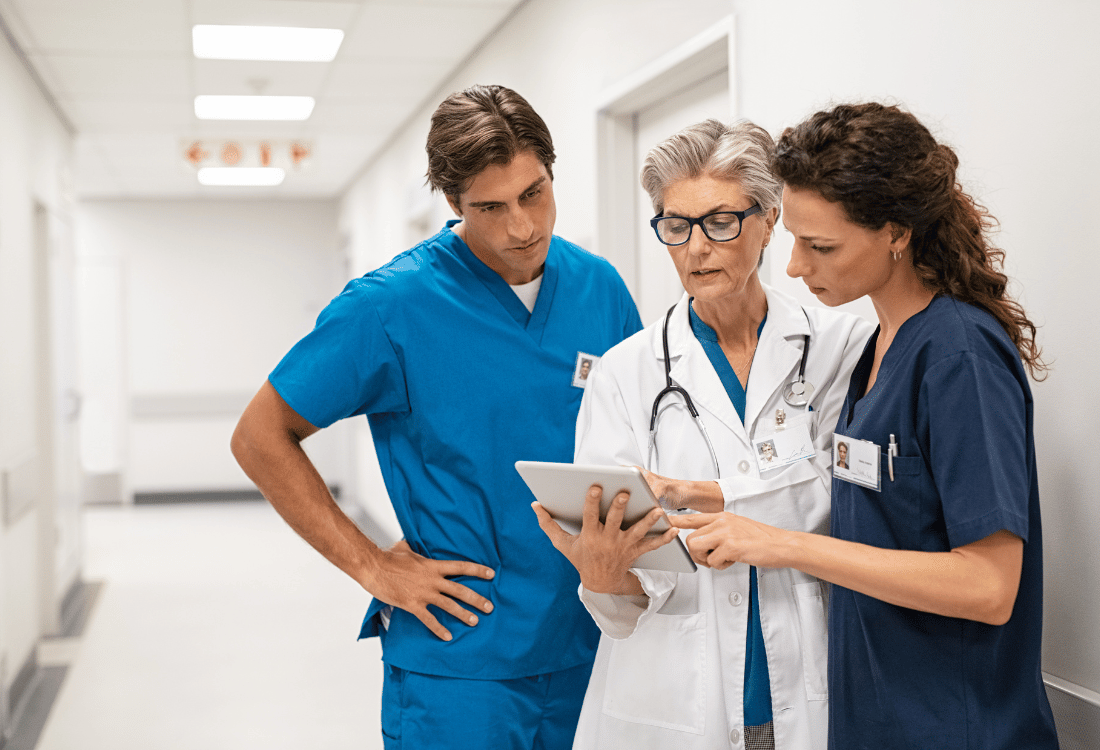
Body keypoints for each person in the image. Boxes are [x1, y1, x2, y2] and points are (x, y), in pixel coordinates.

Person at [231, 84, 643, 750]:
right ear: (452, 203)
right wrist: (370, 566)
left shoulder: (600, 288)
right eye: (491, 207)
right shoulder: (390, 308)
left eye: (534, 193)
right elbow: (258, 437)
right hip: (461, 661)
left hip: (593, 639)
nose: (522, 227)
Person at [670, 103, 1060, 749]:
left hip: (957, 727)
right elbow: (882, 509)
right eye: (794, 239)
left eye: (820, 246)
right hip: (878, 718)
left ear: (895, 233)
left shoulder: (957, 355)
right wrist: (725, 501)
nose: (794, 266)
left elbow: (989, 586)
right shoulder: (879, 345)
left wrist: (780, 545)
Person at [533, 119, 873, 749]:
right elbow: (624, 590)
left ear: (770, 219)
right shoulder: (625, 374)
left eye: (720, 222)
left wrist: (722, 500)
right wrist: (604, 575)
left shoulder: (840, 349)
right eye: (676, 225)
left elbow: (851, 509)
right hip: (678, 694)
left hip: (812, 677)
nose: (695, 248)